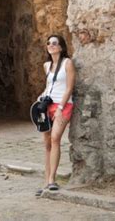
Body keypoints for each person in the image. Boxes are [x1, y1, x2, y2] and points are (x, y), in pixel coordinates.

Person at [35, 34, 75, 196]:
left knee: (55, 138)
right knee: (47, 144)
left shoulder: (68, 63)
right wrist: (40, 97)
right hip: (47, 106)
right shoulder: (46, 65)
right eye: (49, 43)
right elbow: (49, 87)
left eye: (54, 43)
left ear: (61, 47)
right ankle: (47, 181)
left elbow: (69, 88)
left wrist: (60, 107)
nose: (51, 45)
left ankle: (52, 179)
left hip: (63, 105)